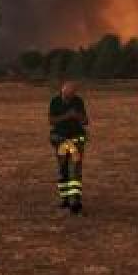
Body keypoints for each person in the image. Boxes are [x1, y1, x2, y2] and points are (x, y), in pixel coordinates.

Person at [49, 80, 90, 214]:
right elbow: (51, 121)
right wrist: (67, 116)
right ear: (62, 92)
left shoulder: (78, 101)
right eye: (67, 95)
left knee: (75, 170)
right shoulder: (55, 101)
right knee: (63, 169)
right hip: (60, 140)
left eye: (72, 95)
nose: (70, 98)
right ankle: (65, 199)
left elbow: (85, 121)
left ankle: (75, 202)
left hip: (76, 141)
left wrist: (77, 116)